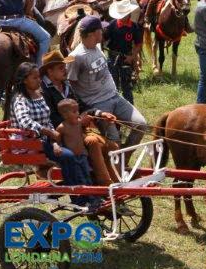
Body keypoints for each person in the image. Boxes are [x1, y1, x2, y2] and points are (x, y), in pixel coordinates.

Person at [9, 63, 95, 207]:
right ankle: (79, 199)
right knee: (69, 157)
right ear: (24, 80)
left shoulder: (39, 94)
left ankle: (87, 193)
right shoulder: (20, 99)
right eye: (34, 78)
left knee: (77, 155)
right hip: (29, 143)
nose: (38, 80)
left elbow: (47, 120)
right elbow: (25, 122)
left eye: (38, 77)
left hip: (43, 141)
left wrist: (54, 142)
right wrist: (49, 132)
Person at [67, 15, 148, 153]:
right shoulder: (76, 57)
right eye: (101, 30)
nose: (103, 32)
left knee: (141, 125)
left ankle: (124, 158)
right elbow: (70, 83)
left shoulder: (98, 46)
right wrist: (87, 109)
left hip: (115, 96)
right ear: (93, 34)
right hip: (97, 103)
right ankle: (116, 164)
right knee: (114, 140)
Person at [40, 51, 119, 186]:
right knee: (92, 141)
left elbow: (82, 106)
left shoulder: (66, 85)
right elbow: (52, 119)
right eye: (61, 68)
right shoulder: (43, 91)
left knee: (112, 146)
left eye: (64, 67)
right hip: (64, 135)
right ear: (50, 71)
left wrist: (100, 114)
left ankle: (117, 182)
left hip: (78, 130)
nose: (65, 70)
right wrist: (78, 121)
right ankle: (105, 185)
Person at [104, 0, 142, 104]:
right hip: (112, 59)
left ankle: (130, 108)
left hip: (126, 60)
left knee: (127, 86)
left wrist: (132, 57)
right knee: (113, 86)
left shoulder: (134, 26)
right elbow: (103, 39)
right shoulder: (112, 25)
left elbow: (138, 44)